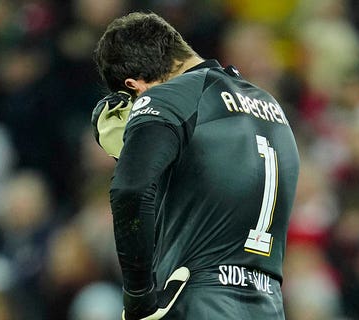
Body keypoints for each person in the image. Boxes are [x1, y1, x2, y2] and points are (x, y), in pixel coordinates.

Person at [91, 12, 299, 319]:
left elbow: (130, 190)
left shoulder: (169, 97)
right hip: (267, 302)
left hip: (198, 298)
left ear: (135, 86)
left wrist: (138, 297)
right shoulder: (270, 106)